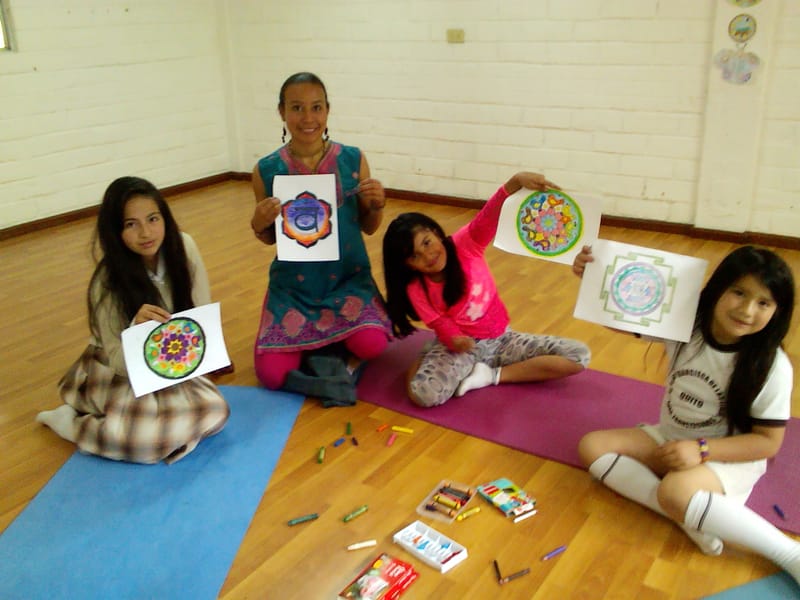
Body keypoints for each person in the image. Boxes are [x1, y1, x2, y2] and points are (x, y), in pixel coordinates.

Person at [573, 244, 800, 584]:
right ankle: (688, 517)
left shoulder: (772, 366)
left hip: (726, 457)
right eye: (739, 293)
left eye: (763, 302)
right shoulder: (685, 323)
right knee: (592, 446)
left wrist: (703, 450)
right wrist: (594, 279)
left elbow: (767, 444)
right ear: (718, 287)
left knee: (675, 491)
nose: (747, 310)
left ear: (777, 311)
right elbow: (623, 315)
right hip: (672, 438)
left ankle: (788, 552)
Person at [36, 176, 230, 464]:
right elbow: (116, 357)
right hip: (119, 367)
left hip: (169, 359)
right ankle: (71, 424)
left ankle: (164, 430)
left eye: (153, 219)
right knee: (147, 444)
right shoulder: (107, 279)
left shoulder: (184, 247)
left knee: (216, 412)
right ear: (116, 231)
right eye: (131, 224)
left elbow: (199, 313)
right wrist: (136, 333)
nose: (146, 232)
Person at [382, 171, 591, 407]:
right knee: (423, 395)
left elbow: (487, 218)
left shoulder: (465, 244)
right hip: (461, 348)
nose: (428, 256)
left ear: (436, 233)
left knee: (578, 355)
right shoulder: (416, 288)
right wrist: (454, 341)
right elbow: (440, 322)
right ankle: (429, 354)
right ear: (406, 264)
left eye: (427, 243)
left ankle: (490, 375)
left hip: (503, 338)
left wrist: (513, 183)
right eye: (414, 256)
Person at [249, 72, 391, 403]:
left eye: (316, 107)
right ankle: (329, 354)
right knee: (270, 375)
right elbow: (271, 238)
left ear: (327, 110)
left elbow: (369, 227)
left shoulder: (353, 159)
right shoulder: (266, 169)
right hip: (294, 290)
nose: (308, 118)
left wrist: (377, 204)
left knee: (374, 345)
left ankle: (320, 349)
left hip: (347, 282)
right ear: (281, 112)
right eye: (297, 108)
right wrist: (258, 222)